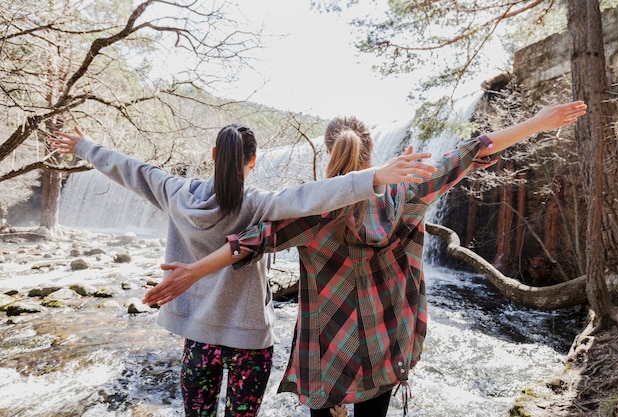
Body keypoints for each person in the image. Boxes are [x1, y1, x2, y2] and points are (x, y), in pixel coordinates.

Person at [142, 100, 587, 417]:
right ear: (372, 152)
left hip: (327, 351)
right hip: (387, 340)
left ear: (330, 151)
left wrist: (190, 274)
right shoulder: (405, 190)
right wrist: (538, 123)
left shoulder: (310, 212)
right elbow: (474, 149)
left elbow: (245, 243)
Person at [48, 123, 436, 417]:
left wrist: (84, 146)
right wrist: (376, 177)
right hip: (251, 339)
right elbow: (313, 196)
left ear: (215, 154)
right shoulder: (260, 205)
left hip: (198, 338)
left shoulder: (174, 193)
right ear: (253, 161)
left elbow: (129, 169)